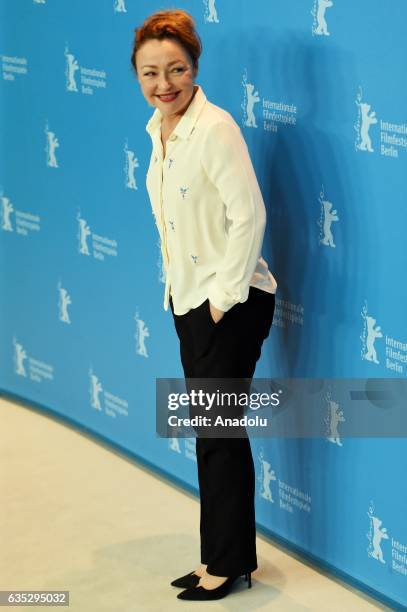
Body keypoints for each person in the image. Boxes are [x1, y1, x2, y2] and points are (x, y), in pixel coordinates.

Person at [131, 9, 277, 602]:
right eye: (150, 72)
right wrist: (186, 295)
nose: (164, 83)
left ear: (195, 68)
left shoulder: (214, 127)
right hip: (189, 299)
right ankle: (221, 554)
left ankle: (228, 564)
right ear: (137, 75)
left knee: (218, 434)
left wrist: (221, 300)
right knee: (210, 432)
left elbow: (251, 216)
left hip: (230, 301)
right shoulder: (158, 129)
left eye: (176, 69)